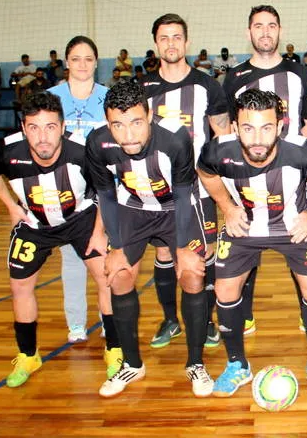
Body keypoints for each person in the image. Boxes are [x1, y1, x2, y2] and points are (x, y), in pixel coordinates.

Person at [197, 89, 307, 399]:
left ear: (281, 125)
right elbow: (205, 174)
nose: (257, 138)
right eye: (247, 128)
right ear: (234, 128)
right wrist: (228, 208)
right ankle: (237, 365)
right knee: (224, 290)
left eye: (266, 127)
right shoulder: (216, 152)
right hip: (243, 225)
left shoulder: (305, 152)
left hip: (293, 226)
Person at [86, 80, 212, 398]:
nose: (128, 135)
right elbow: (106, 195)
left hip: (175, 207)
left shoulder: (175, 139)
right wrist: (114, 246)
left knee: (193, 273)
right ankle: (131, 363)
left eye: (136, 123)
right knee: (117, 274)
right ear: (106, 121)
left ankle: (196, 363)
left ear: (150, 114)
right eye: (118, 124)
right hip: (133, 207)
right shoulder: (98, 143)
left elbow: (184, 195)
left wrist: (183, 247)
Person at [0, 92, 121, 388]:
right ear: (24, 128)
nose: (42, 137)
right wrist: (11, 205)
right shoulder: (7, 151)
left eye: (50, 127)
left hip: (80, 219)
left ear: (62, 127)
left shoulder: (81, 151)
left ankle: (114, 349)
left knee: (107, 278)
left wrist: (99, 232)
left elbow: (106, 192)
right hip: (35, 225)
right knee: (19, 286)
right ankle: (28, 355)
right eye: (34, 128)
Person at [222, 4, 307, 336]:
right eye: (259, 26)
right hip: (248, 178)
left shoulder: (299, 71)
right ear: (248, 32)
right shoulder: (234, 76)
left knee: (299, 240)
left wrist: (302, 145)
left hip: (291, 177)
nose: (266, 31)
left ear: (280, 30)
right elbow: (225, 128)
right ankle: (244, 315)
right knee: (246, 245)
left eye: (272, 25)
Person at [143, 13, 230, 350]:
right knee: (165, 252)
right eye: (164, 37)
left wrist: (229, 188)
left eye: (177, 37)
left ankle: (205, 321)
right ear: (155, 44)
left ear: (187, 42)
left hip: (198, 187)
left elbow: (222, 137)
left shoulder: (207, 85)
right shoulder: (144, 88)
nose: (171, 43)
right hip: (156, 189)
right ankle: (170, 320)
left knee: (204, 253)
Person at [48, 35, 109, 343]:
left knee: (103, 257)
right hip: (65, 191)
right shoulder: (52, 97)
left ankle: (107, 319)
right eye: (76, 59)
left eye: (88, 59)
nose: (82, 65)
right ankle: (76, 324)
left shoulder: (108, 97)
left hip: (101, 189)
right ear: (66, 63)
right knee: (72, 260)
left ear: (96, 62)